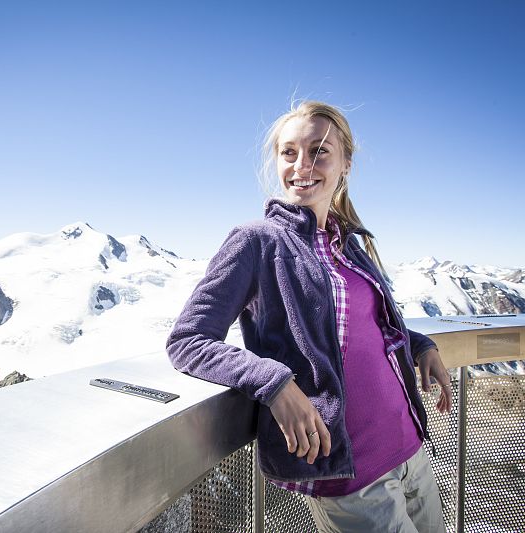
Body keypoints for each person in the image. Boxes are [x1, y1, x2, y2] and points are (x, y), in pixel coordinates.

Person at [166, 101, 452, 532]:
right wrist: (274, 383)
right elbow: (187, 341)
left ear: (346, 165)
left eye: (320, 151)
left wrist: (419, 344)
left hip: (410, 449)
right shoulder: (256, 243)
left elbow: (362, 326)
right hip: (350, 478)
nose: (303, 165)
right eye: (289, 152)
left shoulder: (348, 243)